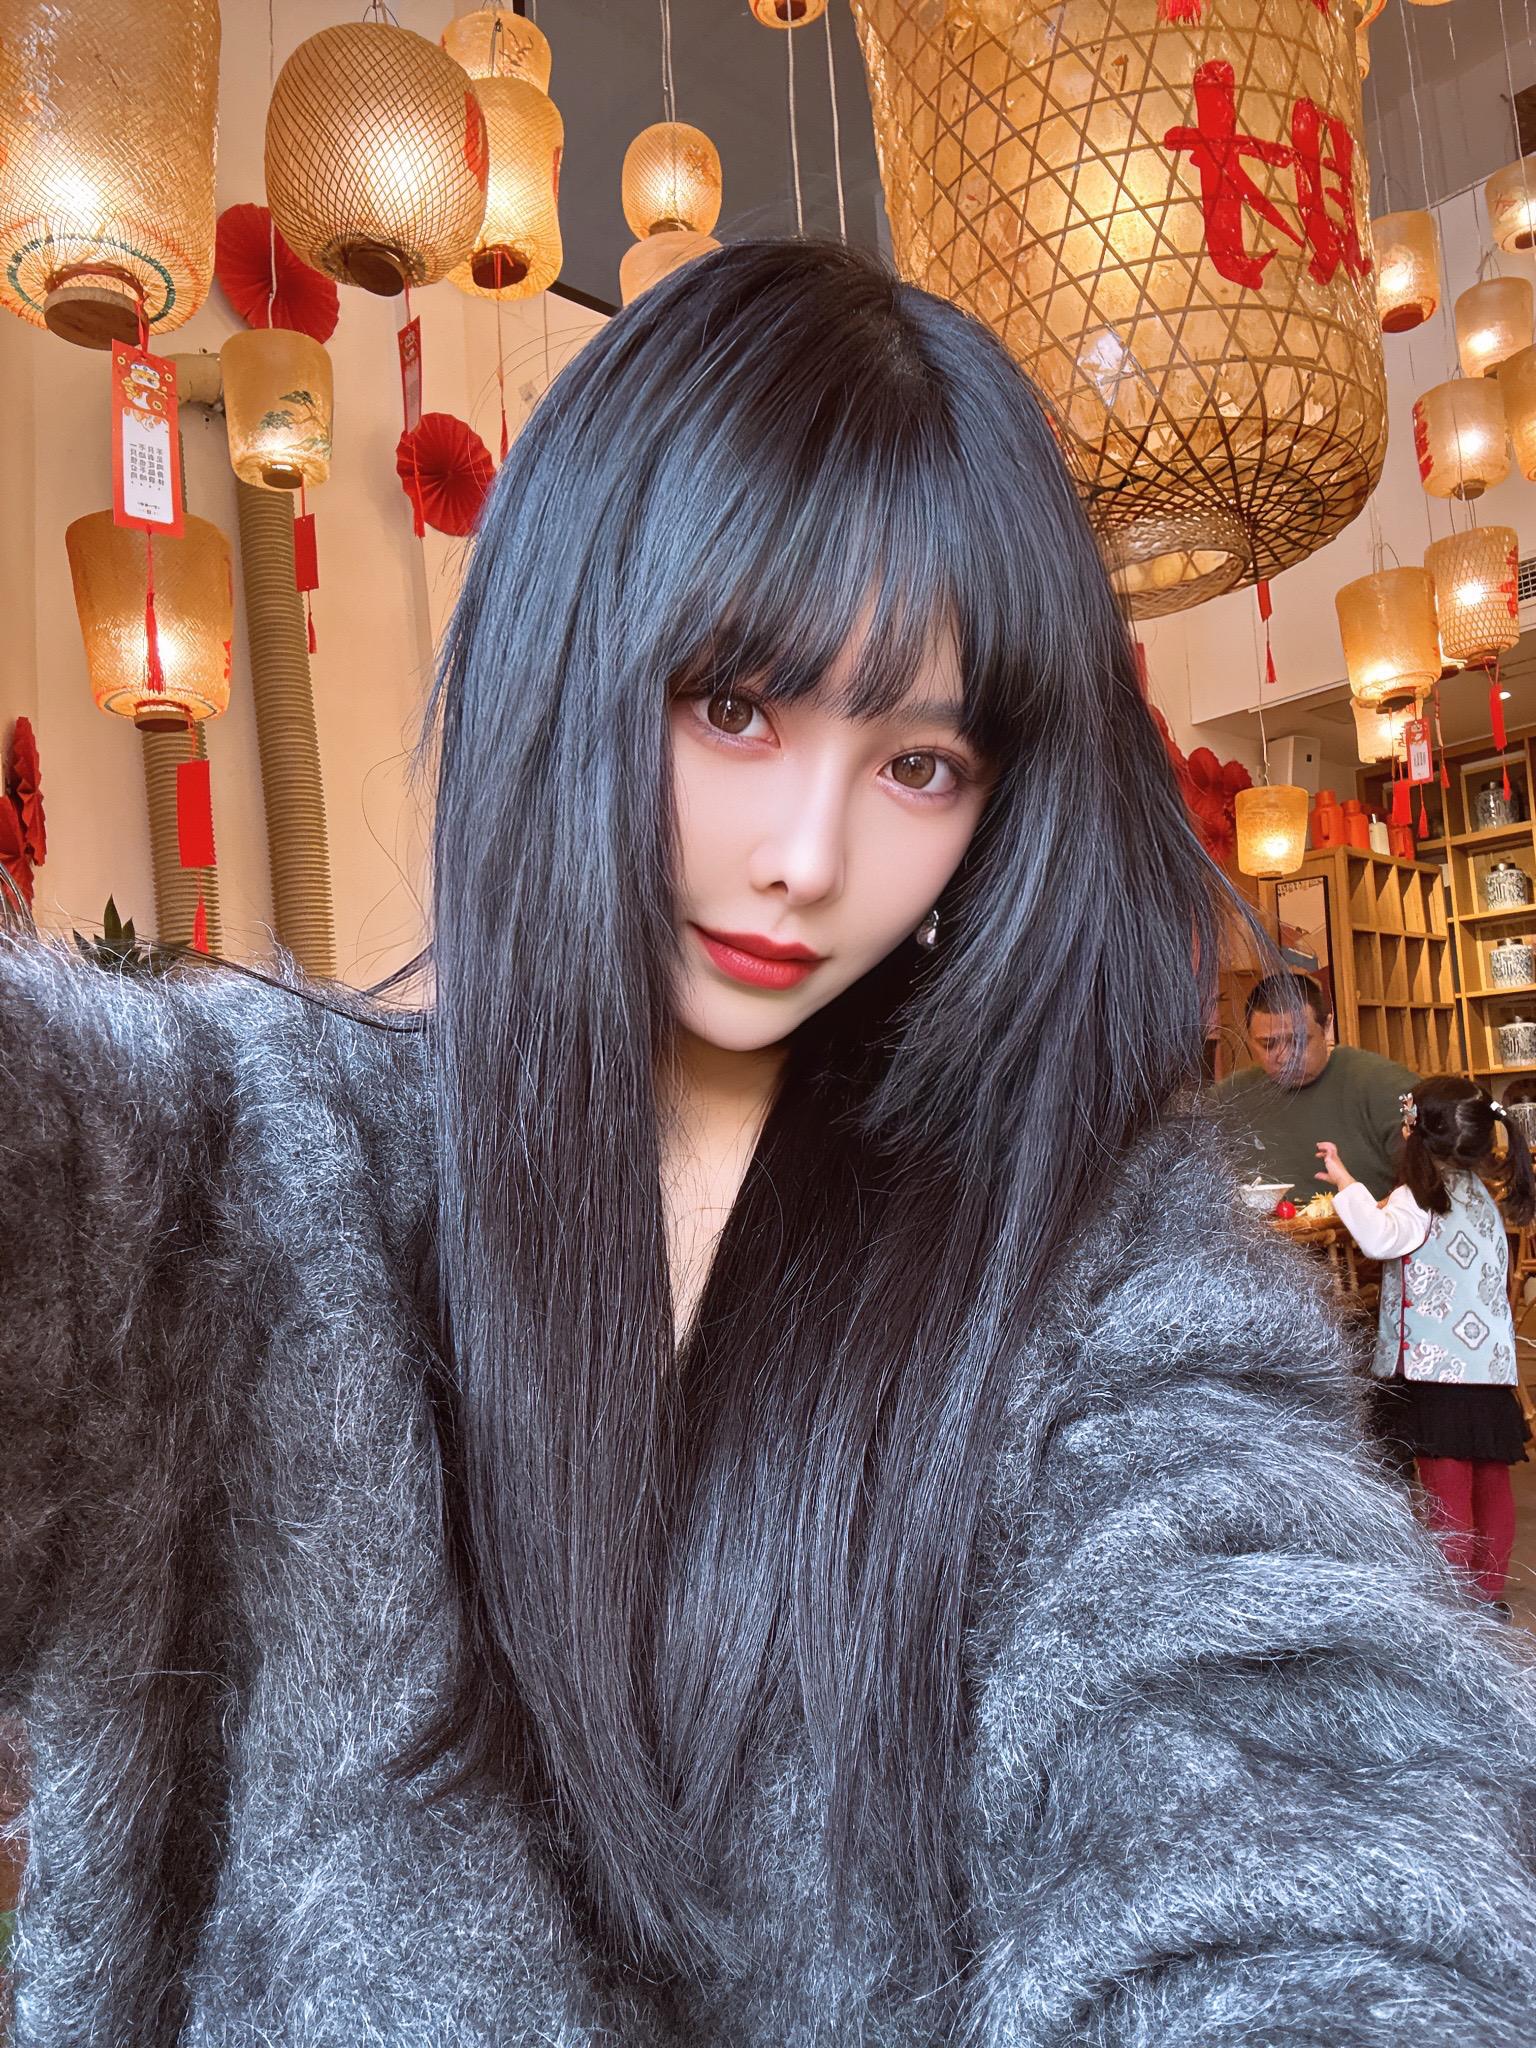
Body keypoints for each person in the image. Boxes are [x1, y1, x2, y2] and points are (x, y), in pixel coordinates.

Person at [3, 240, 1536, 2047]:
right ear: (570, 658)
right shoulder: (256, 1180)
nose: (808, 857)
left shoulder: (1093, 1272)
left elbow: (1287, 1784)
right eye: (735, 705)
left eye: (919, 764)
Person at [1318, 1078, 1535, 1610]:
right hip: (1487, 1371)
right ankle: (1486, 1596)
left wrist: (1345, 1181)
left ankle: (1452, 1606)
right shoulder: (1479, 1195)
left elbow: (1378, 1239)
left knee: (1447, 1492)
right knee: (1490, 1485)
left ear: (1413, 1131)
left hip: (1437, 1372)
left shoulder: (1418, 1197)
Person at [1214, 969, 1418, 1198]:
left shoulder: (1388, 1086)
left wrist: (1373, 1213)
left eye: (1298, 1040)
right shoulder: (1228, 1098)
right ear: (1248, 1038)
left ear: (1326, 1027)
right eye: (1268, 1044)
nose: (1285, 1057)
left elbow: (1435, 1181)